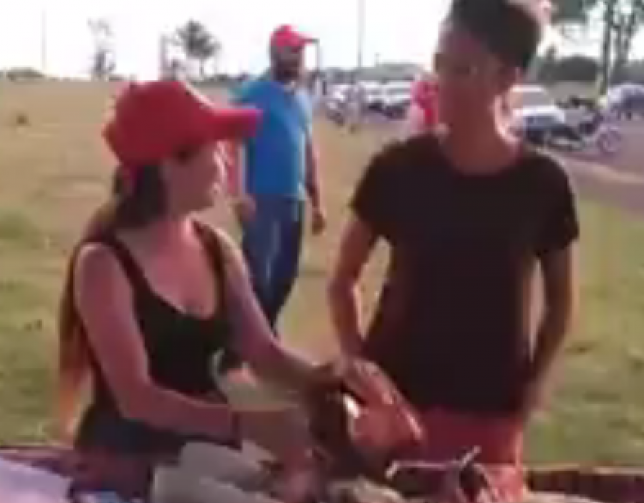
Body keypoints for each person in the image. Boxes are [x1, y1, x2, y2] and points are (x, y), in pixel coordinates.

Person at [327, 0, 578, 466]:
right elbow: (342, 281)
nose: (440, 82)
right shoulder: (396, 169)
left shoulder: (543, 183)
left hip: (491, 414)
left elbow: (561, 301)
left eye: (462, 68)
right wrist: (359, 369)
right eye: (439, 63)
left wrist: (533, 388)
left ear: (507, 78)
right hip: (394, 411)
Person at [56, 80, 328, 463]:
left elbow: (265, 354)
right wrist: (246, 425)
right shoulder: (103, 264)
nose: (226, 163)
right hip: (125, 468)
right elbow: (137, 398)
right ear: (169, 165)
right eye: (214, 149)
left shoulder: (217, 249)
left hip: (206, 463)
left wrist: (335, 384)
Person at [228, 25, 326, 335]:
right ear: (275, 53)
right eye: (293, 51)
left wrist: (317, 202)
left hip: (293, 200)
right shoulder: (252, 94)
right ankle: (244, 345)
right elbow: (237, 145)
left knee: (285, 276)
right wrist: (240, 193)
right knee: (257, 277)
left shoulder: (302, 98)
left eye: (302, 52)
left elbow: (308, 150)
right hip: (262, 199)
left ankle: (264, 337)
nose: (299, 58)